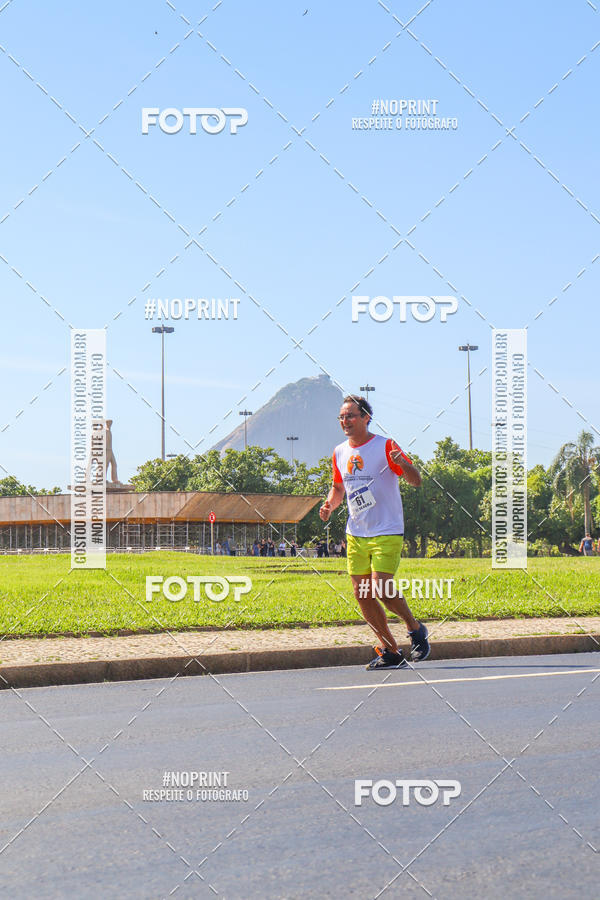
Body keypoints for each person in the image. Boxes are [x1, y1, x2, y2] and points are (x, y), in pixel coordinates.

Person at [320, 394, 430, 670]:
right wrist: (330, 505)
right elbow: (338, 488)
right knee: (362, 594)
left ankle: (415, 628)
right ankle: (391, 651)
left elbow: (415, 481)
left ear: (366, 417)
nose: (345, 421)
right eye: (342, 417)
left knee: (380, 585)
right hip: (356, 532)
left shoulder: (385, 446)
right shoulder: (339, 452)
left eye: (351, 416)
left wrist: (404, 464)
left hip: (387, 529)